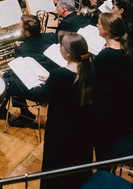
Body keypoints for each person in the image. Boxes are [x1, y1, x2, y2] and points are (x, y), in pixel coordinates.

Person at [27, 32, 95, 189]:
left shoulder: (60, 75)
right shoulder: (90, 68)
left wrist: (27, 84)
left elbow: (42, 96)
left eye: (61, 46)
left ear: (68, 53)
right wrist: (51, 81)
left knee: (57, 169)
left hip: (61, 132)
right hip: (83, 130)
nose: (59, 48)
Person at [91, 12, 133, 159]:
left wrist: (82, 57)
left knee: (102, 146)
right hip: (115, 102)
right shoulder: (122, 48)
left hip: (102, 106)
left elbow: (89, 75)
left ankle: (103, 176)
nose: (97, 25)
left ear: (107, 30)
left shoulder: (107, 55)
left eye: (99, 24)